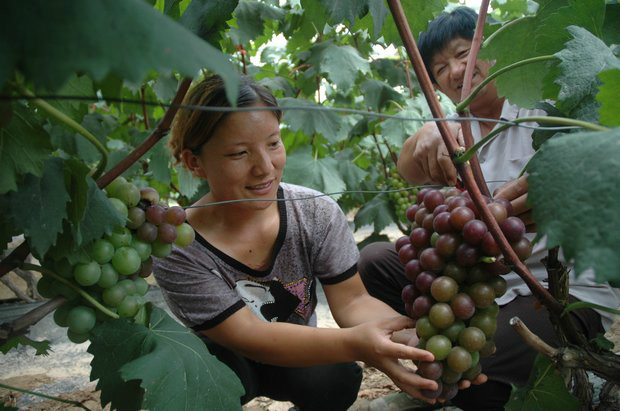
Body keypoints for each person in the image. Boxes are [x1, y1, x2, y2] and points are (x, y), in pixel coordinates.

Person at [358, 6, 620, 411]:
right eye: (441, 68)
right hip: (477, 279)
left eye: (464, 54)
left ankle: (459, 370)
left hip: (554, 292)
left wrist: (560, 186)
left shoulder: (547, 110)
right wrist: (427, 134)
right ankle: (443, 349)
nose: (456, 71)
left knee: (473, 371)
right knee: (374, 260)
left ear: (495, 52)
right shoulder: (453, 135)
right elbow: (408, 166)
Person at [152, 74, 466, 411]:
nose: (264, 167)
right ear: (193, 162)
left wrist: (411, 340)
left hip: (300, 350)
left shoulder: (315, 212)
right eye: (239, 153)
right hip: (227, 361)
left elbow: (353, 302)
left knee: (337, 376)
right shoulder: (177, 245)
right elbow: (246, 335)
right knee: (200, 384)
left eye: (273, 143)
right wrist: (357, 344)